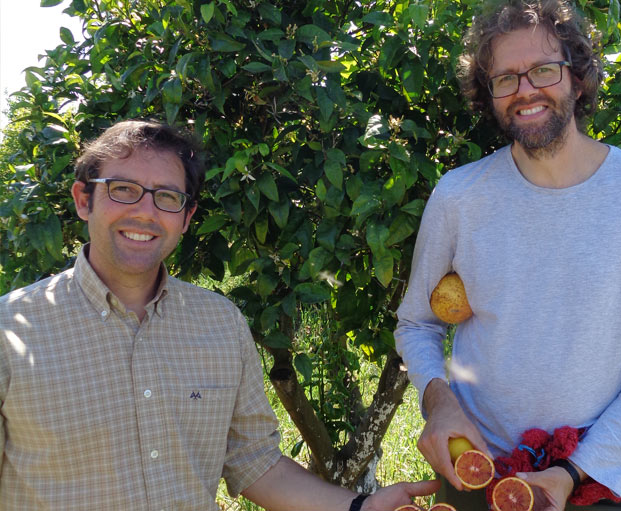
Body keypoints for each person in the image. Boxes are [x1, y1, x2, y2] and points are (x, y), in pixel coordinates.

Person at [0, 119, 439, 510]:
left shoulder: (220, 323)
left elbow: (254, 463)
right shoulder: (10, 331)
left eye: (168, 197)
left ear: (187, 216)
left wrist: (358, 508)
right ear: (84, 199)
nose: (145, 212)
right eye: (123, 190)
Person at [394, 1, 621, 510]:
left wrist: (572, 472)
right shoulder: (459, 197)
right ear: (487, 94)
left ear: (578, 79)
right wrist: (437, 401)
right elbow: (417, 324)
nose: (525, 89)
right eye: (505, 78)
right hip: (482, 473)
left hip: (606, 478)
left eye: (543, 70)